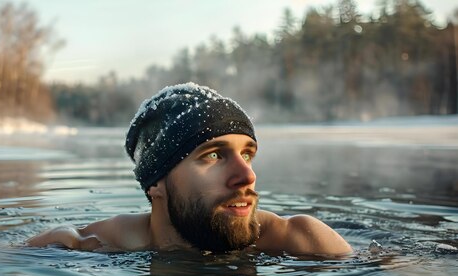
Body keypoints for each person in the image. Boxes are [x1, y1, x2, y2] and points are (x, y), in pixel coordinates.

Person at [27, 82, 352, 255]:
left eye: (247, 154)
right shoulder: (95, 244)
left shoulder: (300, 240)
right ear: (156, 182)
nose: (247, 176)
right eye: (213, 155)